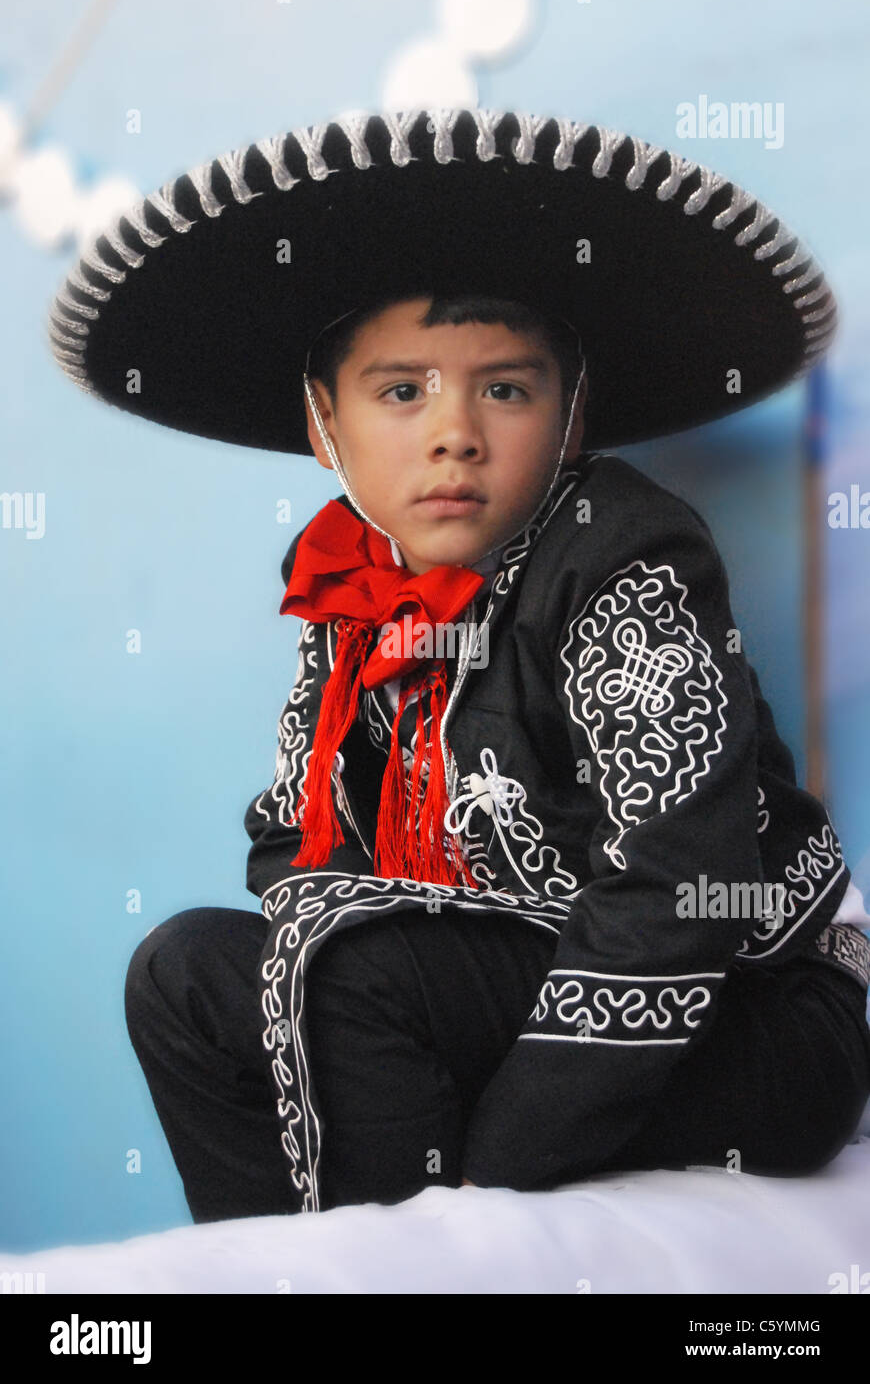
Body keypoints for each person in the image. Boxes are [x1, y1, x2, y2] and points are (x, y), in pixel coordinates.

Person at [49, 109, 870, 1224]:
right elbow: (293, 834)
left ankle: (425, 1262)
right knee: (187, 972)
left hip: (741, 1009)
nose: (456, 435)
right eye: (402, 392)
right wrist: (359, 962)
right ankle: (281, 1263)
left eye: (507, 388)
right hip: (481, 991)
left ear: (572, 413)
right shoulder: (346, 583)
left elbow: (679, 883)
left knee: (354, 967)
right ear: (323, 422)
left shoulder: (625, 552)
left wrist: (497, 1170)